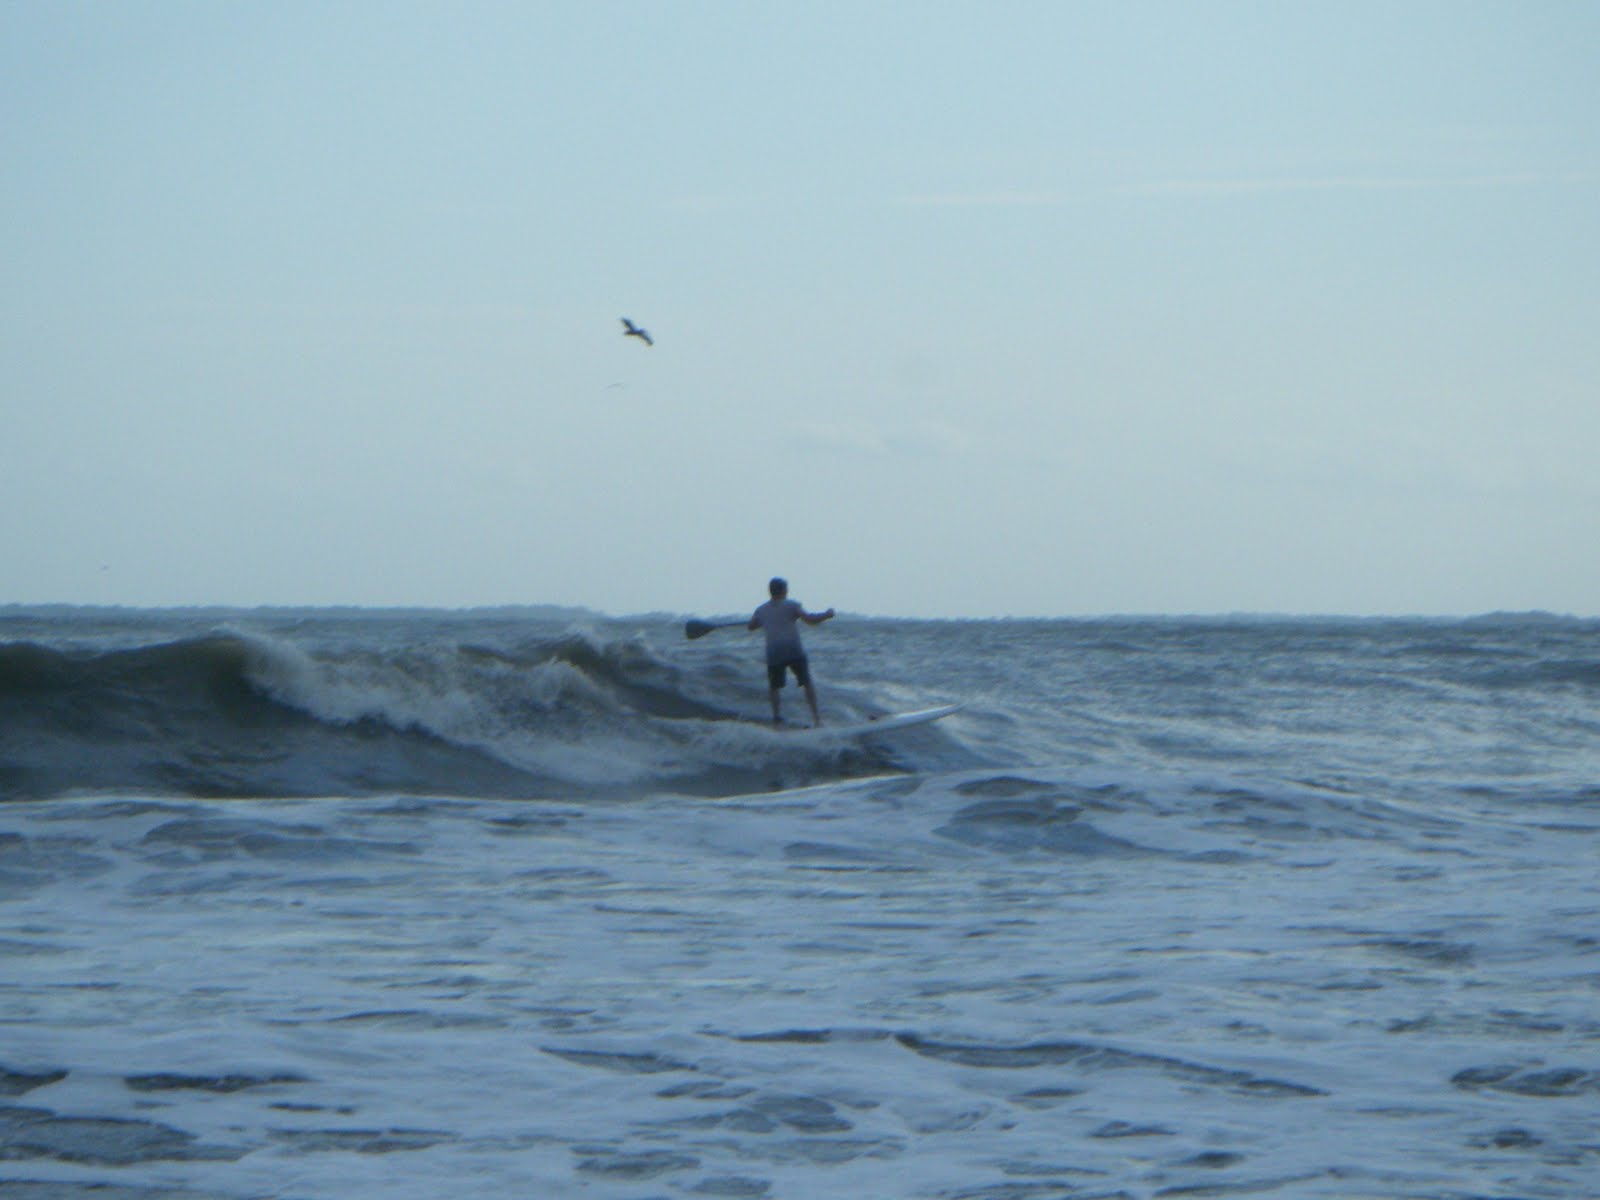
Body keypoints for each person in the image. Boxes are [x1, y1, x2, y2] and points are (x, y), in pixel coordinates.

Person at [748, 577, 834, 726]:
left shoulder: (761, 610)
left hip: (774, 652)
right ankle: (817, 719)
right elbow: (809, 620)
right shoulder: (792, 605)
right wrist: (827, 615)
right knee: (806, 683)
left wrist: (762, 620)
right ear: (784, 590)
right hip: (793, 650)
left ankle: (777, 718)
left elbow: (751, 626)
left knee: (774, 687)